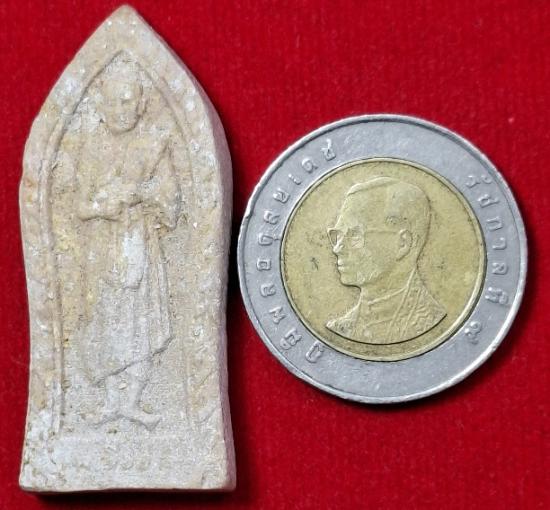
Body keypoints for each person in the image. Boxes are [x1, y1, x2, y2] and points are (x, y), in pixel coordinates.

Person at [75, 54, 181, 430]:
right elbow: (80, 205)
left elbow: (170, 199)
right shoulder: (91, 147)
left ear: (141, 104)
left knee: (143, 325)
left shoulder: (153, 145)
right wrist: (105, 205)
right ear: (101, 107)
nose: (122, 110)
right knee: (105, 323)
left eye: (128, 101)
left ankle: (132, 402)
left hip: (141, 247)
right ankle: (109, 402)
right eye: (114, 102)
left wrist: (143, 195)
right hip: (102, 253)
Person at [326, 176, 445, 345]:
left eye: (355, 235)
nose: (337, 248)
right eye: (337, 235)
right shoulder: (340, 328)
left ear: (402, 243)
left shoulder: (431, 320)